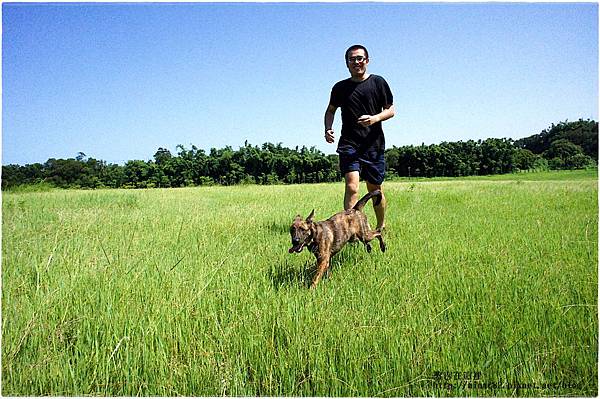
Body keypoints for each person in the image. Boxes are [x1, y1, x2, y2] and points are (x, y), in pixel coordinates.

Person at [324, 44, 395, 231]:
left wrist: (375, 118)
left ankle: (380, 227)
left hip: (373, 144)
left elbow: (391, 110)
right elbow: (330, 111)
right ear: (347, 63)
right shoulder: (340, 88)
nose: (356, 62)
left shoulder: (378, 82)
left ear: (367, 61)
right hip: (349, 143)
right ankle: (351, 231)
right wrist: (328, 128)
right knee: (352, 187)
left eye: (359, 58)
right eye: (352, 59)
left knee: (375, 189)